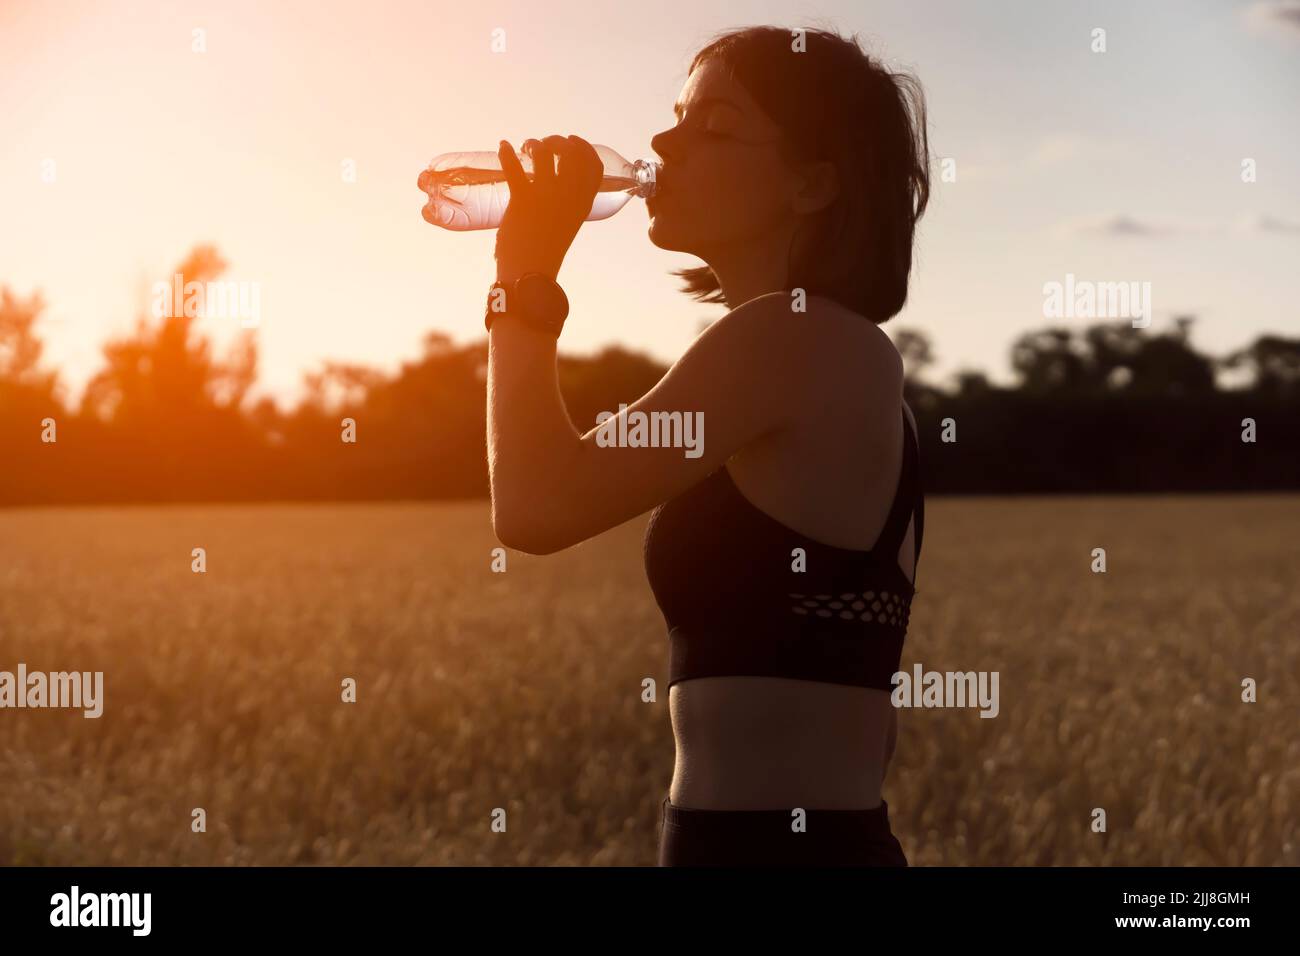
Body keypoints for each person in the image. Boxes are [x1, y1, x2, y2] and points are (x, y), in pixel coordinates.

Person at [481, 24, 930, 866]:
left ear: (811, 184)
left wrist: (523, 280)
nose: (661, 143)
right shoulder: (822, 352)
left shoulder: (793, 339)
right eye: (676, 115)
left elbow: (536, 507)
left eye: (714, 127)